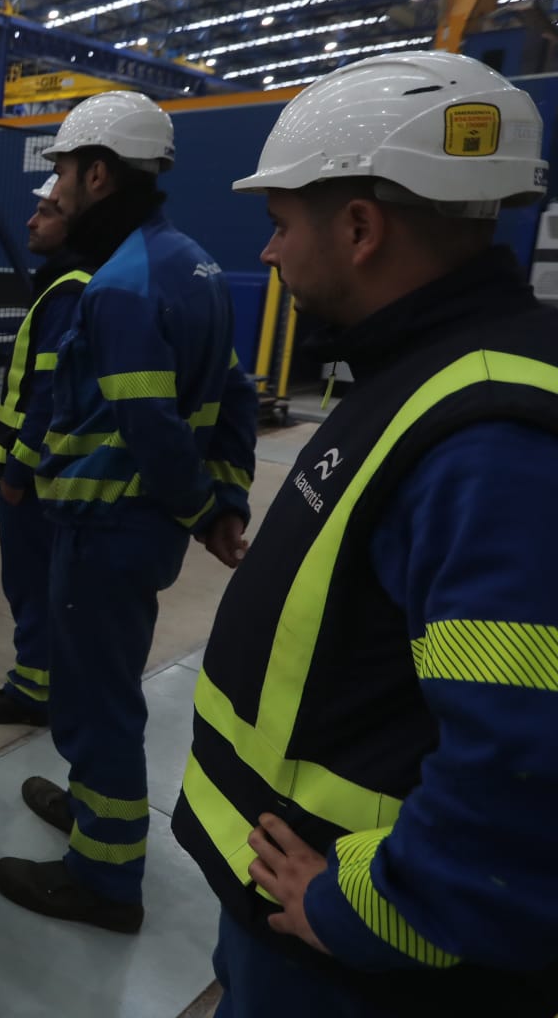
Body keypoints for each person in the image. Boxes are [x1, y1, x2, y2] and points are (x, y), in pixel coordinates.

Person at [173, 51, 558, 1015]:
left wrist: (372, 912)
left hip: (353, 964)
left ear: (358, 228)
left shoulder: (493, 444)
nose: (265, 254)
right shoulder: (428, 371)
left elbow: (524, 766)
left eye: (278, 225)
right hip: (293, 919)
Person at [0, 89, 258, 932]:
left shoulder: (119, 287)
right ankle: (93, 811)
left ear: (98, 175)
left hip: (108, 528)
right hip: (136, 530)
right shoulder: (192, 262)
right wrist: (223, 500)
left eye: (63, 172)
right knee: (102, 686)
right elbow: (235, 393)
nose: (56, 190)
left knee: (96, 697)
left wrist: (194, 505)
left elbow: (147, 424)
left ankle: (103, 881)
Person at [0, 174, 93, 727]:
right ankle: (52, 681)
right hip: (49, 472)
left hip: (35, 479)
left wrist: (16, 471)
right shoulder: (74, 282)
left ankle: (32, 690)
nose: (32, 221)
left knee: (32, 583)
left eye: (46, 212)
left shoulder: (69, 290)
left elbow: (46, 392)